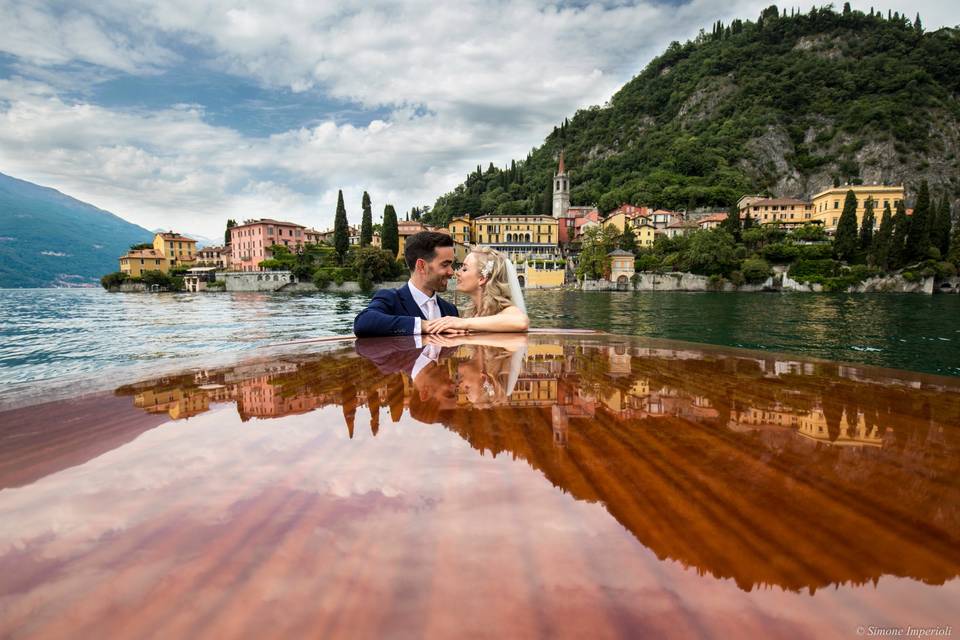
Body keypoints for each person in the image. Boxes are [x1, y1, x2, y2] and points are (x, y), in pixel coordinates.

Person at [353, 231, 459, 337]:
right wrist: (422, 325)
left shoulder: (450, 310)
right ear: (421, 266)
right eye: (445, 265)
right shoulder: (391, 299)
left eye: (451, 265)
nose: (451, 272)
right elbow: (363, 323)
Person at [421, 246, 529, 334]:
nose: (457, 273)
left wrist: (463, 323)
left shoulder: (504, 310)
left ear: (482, 279)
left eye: (464, 269)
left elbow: (521, 322)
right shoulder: (472, 313)